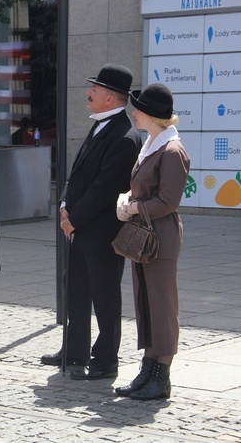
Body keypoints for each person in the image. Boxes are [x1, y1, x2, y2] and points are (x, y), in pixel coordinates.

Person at [40, 64, 142, 380]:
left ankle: (105, 360)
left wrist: (74, 219)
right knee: (76, 289)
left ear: (110, 98)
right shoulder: (100, 125)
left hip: (101, 233)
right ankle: (76, 349)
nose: (89, 93)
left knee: (105, 295)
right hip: (81, 228)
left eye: (94, 90)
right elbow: (77, 173)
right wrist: (65, 205)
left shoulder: (124, 136)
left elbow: (104, 189)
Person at [115, 83, 190, 400]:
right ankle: (148, 368)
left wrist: (134, 207)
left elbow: (169, 201)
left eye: (139, 109)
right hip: (143, 234)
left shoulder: (172, 150)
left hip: (160, 235)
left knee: (162, 305)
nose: (134, 112)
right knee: (146, 303)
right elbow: (143, 188)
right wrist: (127, 198)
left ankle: (163, 375)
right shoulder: (152, 144)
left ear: (153, 115)